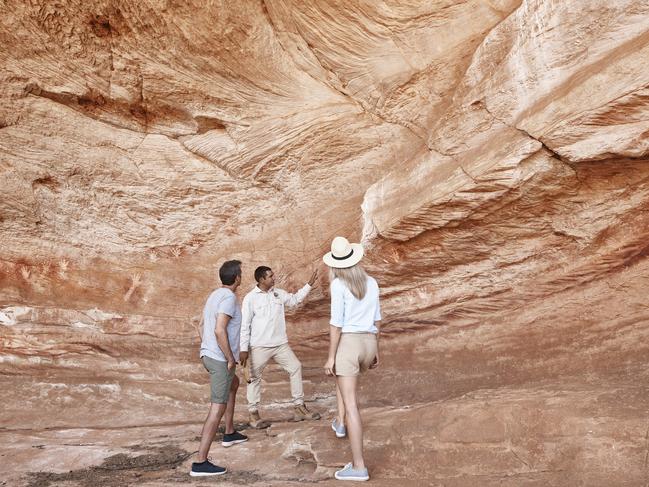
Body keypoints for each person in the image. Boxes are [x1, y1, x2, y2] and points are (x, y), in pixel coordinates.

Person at [323, 237, 381, 482]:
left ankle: (358, 467)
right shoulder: (372, 282)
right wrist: (376, 350)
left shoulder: (338, 285)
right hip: (368, 342)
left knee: (352, 404)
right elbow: (377, 320)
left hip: (349, 342)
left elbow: (336, 325)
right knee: (341, 379)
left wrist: (330, 357)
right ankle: (339, 422)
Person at [239, 265, 321, 427]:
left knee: (295, 367)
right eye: (270, 276)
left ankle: (299, 407)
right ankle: (253, 414)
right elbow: (244, 325)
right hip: (260, 346)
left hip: (280, 345)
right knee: (254, 378)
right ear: (262, 279)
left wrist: (309, 284)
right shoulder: (250, 298)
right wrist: (243, 349)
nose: (274, 278)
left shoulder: (278, 293)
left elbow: (295, 299)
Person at [190, 260, 248, 477]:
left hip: (209, 355)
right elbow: (219, 330)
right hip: (219, 359)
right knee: (217, 408)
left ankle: (230, 432)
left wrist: (206, 348)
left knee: (234, 384)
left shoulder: (215, 295)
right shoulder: (229, 298)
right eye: (241, 274)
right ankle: (200, 462)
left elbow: (201, 325)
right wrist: (229, 358)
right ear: (237, 278)